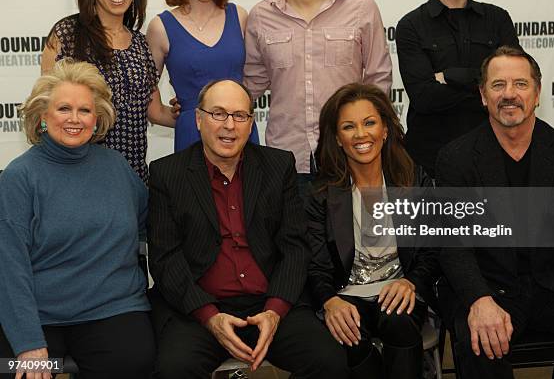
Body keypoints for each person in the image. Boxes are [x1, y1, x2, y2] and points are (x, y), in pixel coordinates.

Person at [147, 79, 349, 379]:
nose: (230, 125)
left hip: (269, 302)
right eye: (218, 114)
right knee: (173, 370)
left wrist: (275, 311)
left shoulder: (278, 166)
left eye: (239, 115)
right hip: (200, 308)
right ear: (199, 120)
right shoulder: (168, 173)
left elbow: (295, 247)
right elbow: (166, 259)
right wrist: (209, 317)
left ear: (251, 123)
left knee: (329, 361)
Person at [435, 46, 554, 378]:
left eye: (520, 84)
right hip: (490, 285)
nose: (509, 94)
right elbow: (452, 245)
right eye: (498, 85)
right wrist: (479, 299)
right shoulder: (455, 158)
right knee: (480, 341)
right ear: (483, 95)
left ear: (537, 93)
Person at [0, 60, 155, 379]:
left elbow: (151, 223)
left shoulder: (116, 166)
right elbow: (9, 264)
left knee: (132, 363)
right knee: (13, 371)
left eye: (84, 110)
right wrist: (28, 344)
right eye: (63, 109)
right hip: (39, 314)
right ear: (42, 117)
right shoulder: (20, 177)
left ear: (96, 119)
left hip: (112, 309)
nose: (74, 119)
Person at [244, 0, 392, 196]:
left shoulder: (361, 7)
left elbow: (378, 80)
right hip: (286, 157)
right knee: (293, 238)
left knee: (351, 239)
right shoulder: (261, 16)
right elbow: (251, 84)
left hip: (348, 153)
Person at [306, 83, 439, 378]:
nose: (361, 135)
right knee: (348, 333)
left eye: (369, 123)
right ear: (338, 138)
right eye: (349, 127)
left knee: (398, 320)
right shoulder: (321, 193)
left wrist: (411, 283)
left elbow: (431, 250)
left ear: (385, 130)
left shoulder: (414, 179)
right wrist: (330, 301)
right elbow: (314, 264)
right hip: (345, 295)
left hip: (399, 290)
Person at [42, 0, 175, 182]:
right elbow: (46, 111)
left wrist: (190, 112)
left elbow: (154, 112)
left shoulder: (141, 44)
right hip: (77, 177)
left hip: (132, 180)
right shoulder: (66, 35)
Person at [396, 0, 521, 178]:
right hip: (431, 166)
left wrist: (450, 75)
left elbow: (511, 87)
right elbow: (423, 97)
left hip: (493, 158)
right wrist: (484, 84)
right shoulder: (410, 26)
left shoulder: (498, 19)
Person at [147, 0, 258, 153]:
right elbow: (148, 101)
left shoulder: (240, 17)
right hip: (192, 138)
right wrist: (187, 116)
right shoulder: (161, 27)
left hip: (241, 136)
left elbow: (257, 77)